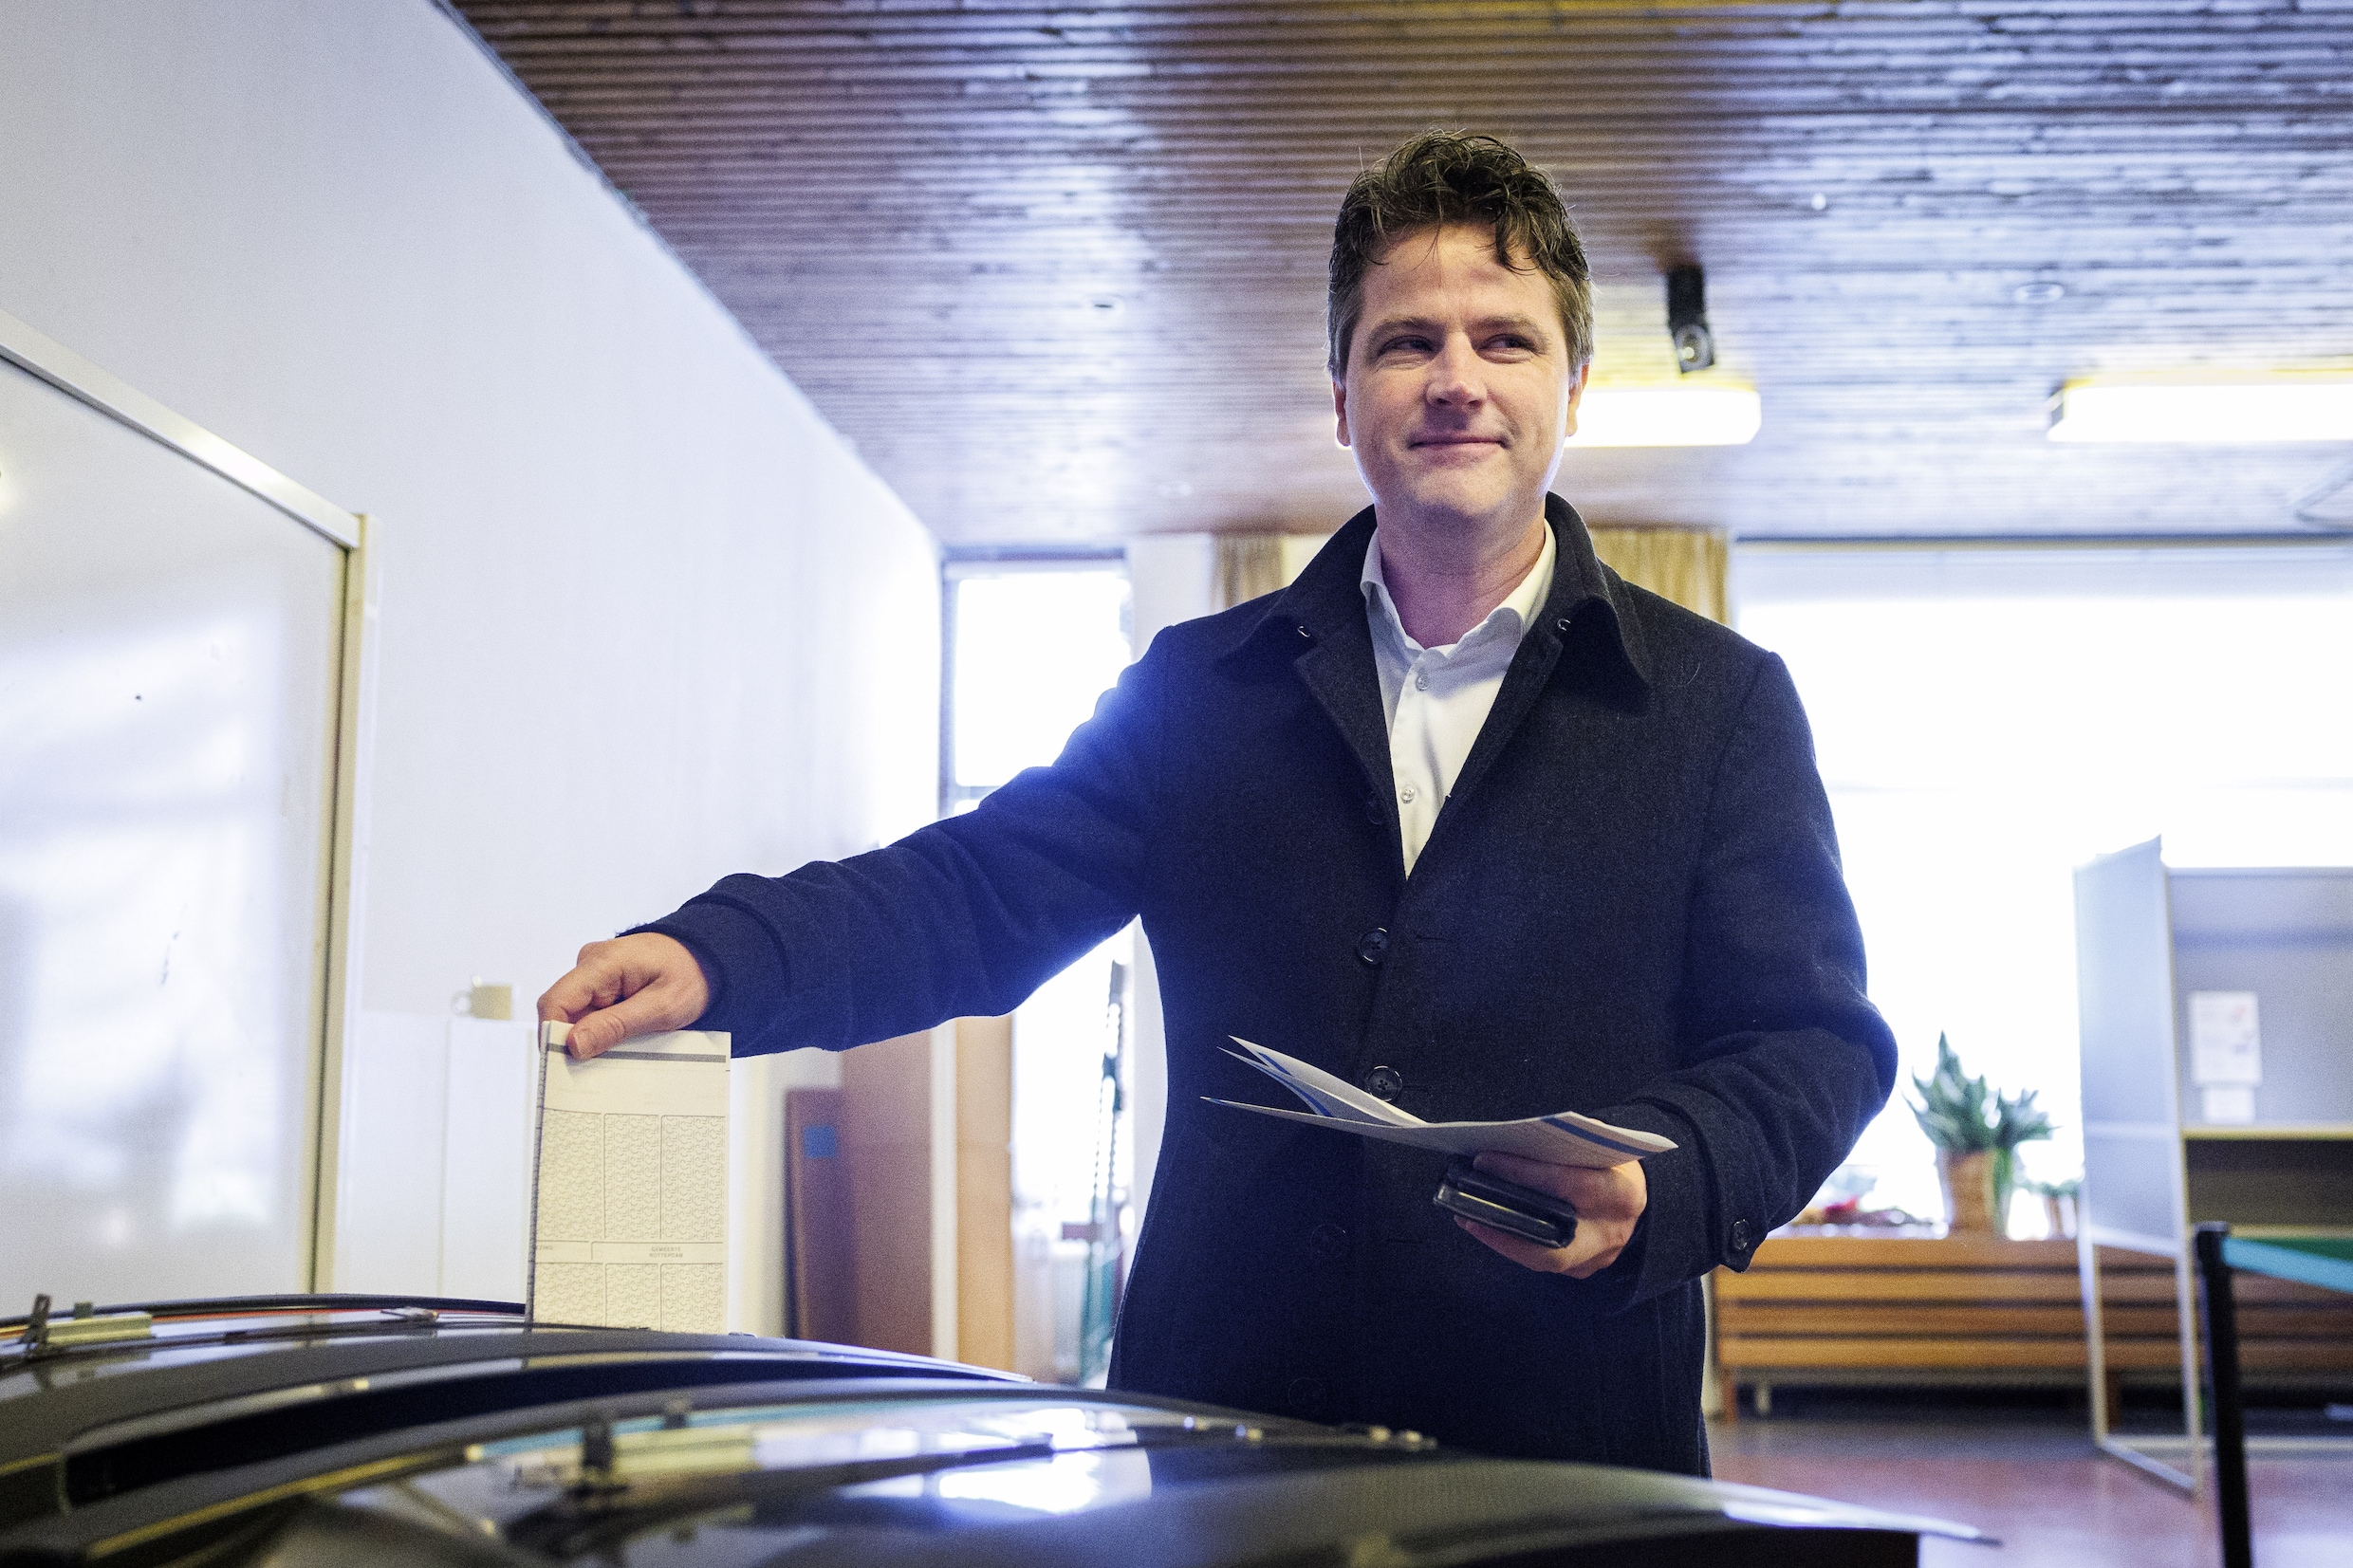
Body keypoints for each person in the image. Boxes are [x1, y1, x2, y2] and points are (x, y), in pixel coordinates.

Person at [539, 130, 1895, 1475]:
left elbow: (1815, 1044)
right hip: (1231, 1426)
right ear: (1342, 390)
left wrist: (1671, 1178)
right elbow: (976, 890)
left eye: (1505, 340)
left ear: (1577, 385)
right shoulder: (1202, 689)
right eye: (1406, 341)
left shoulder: (1717, 704)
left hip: (1570, 1430)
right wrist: (723, 953)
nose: (1454, 381)